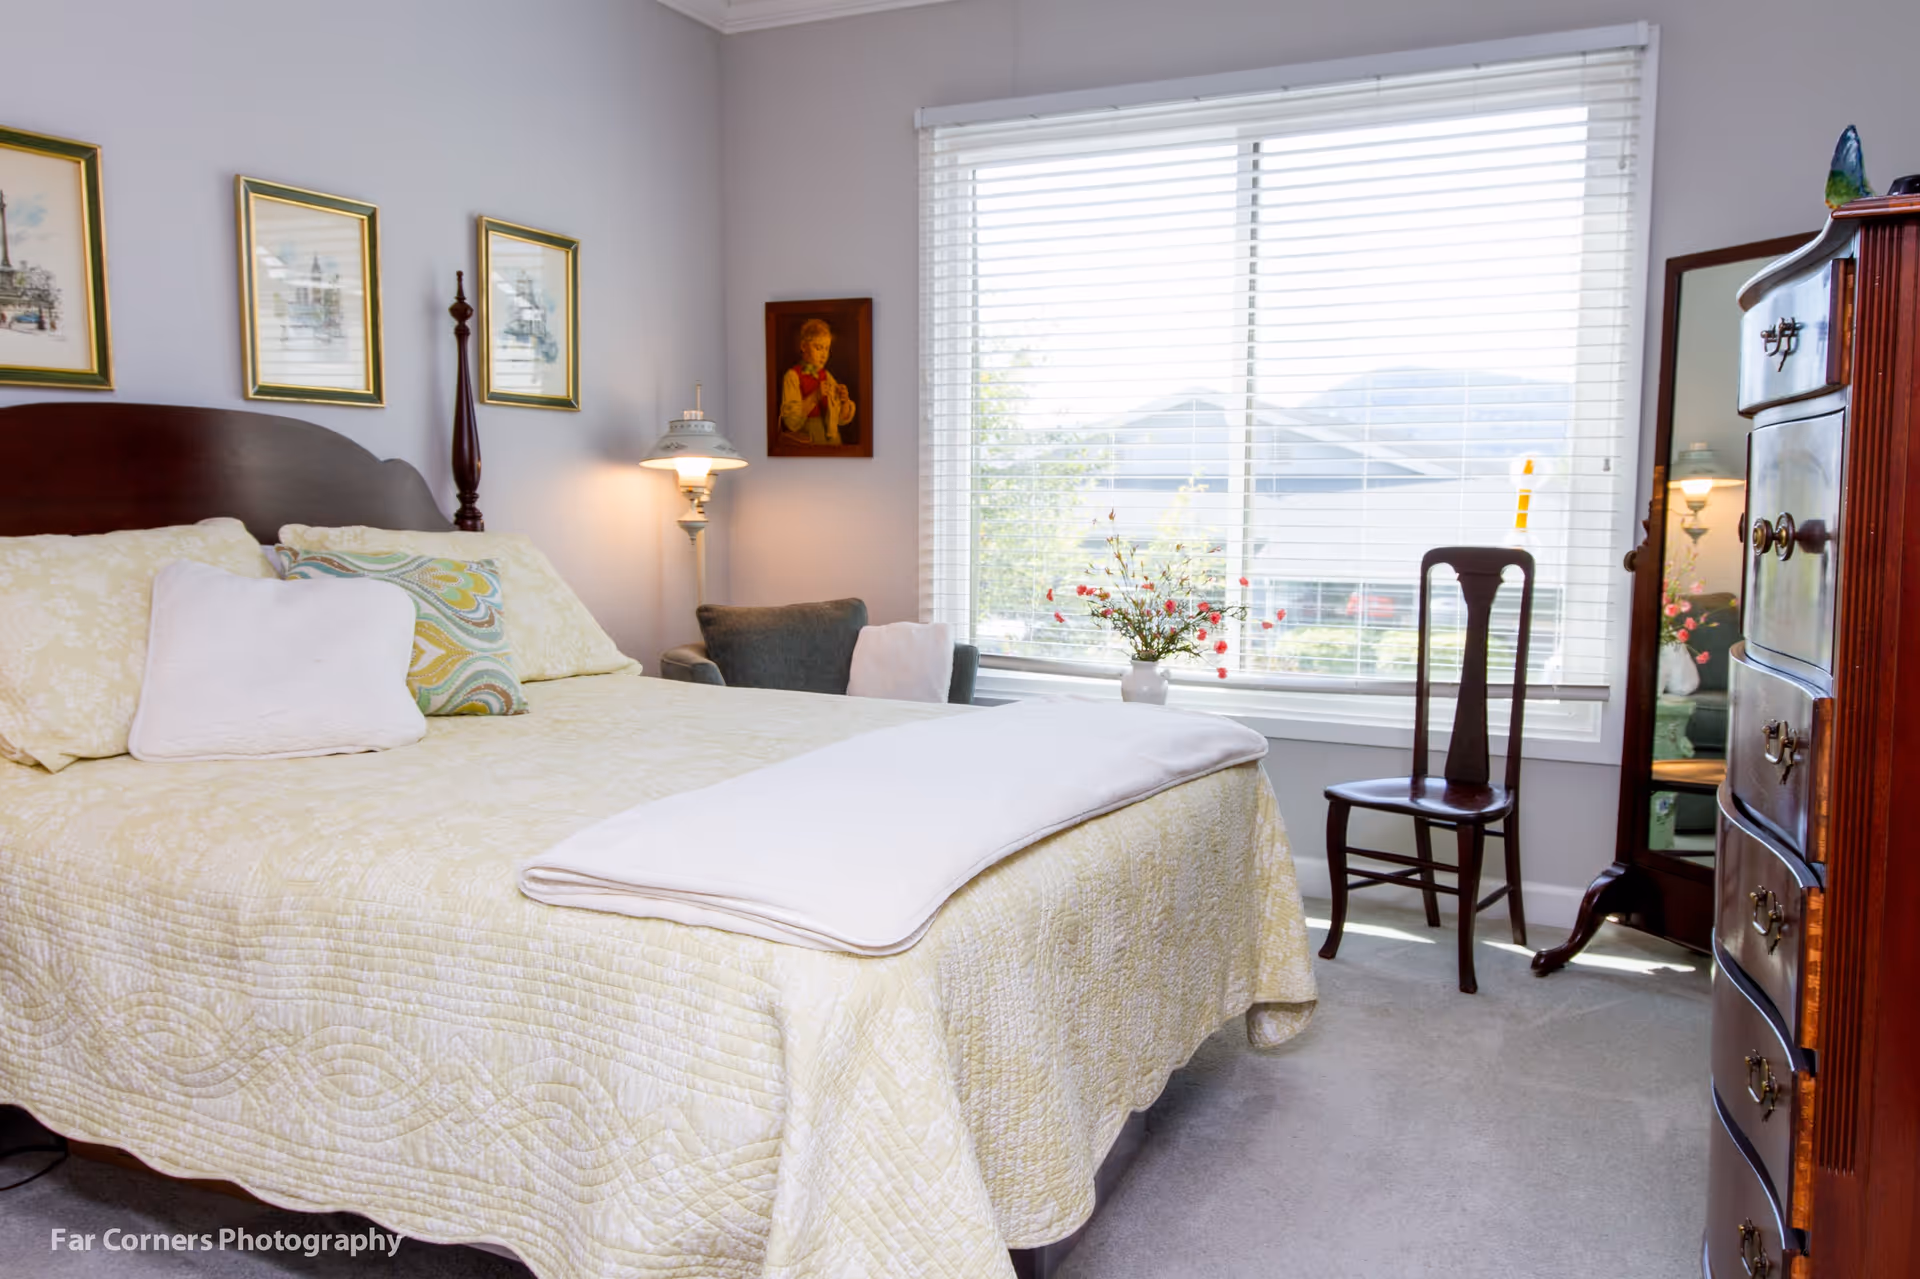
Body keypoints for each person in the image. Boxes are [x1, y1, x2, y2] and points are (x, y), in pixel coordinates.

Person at [779, 318, 855, 445]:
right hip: (807, 439)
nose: (824, 355)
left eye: (827, 349)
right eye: (819, 348)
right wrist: (815, 396)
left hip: (832, 439)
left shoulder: (827, 376)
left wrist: (844, 401)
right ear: (804, 346)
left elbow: (840, 419)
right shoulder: (793, 376)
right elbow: (791, 422)